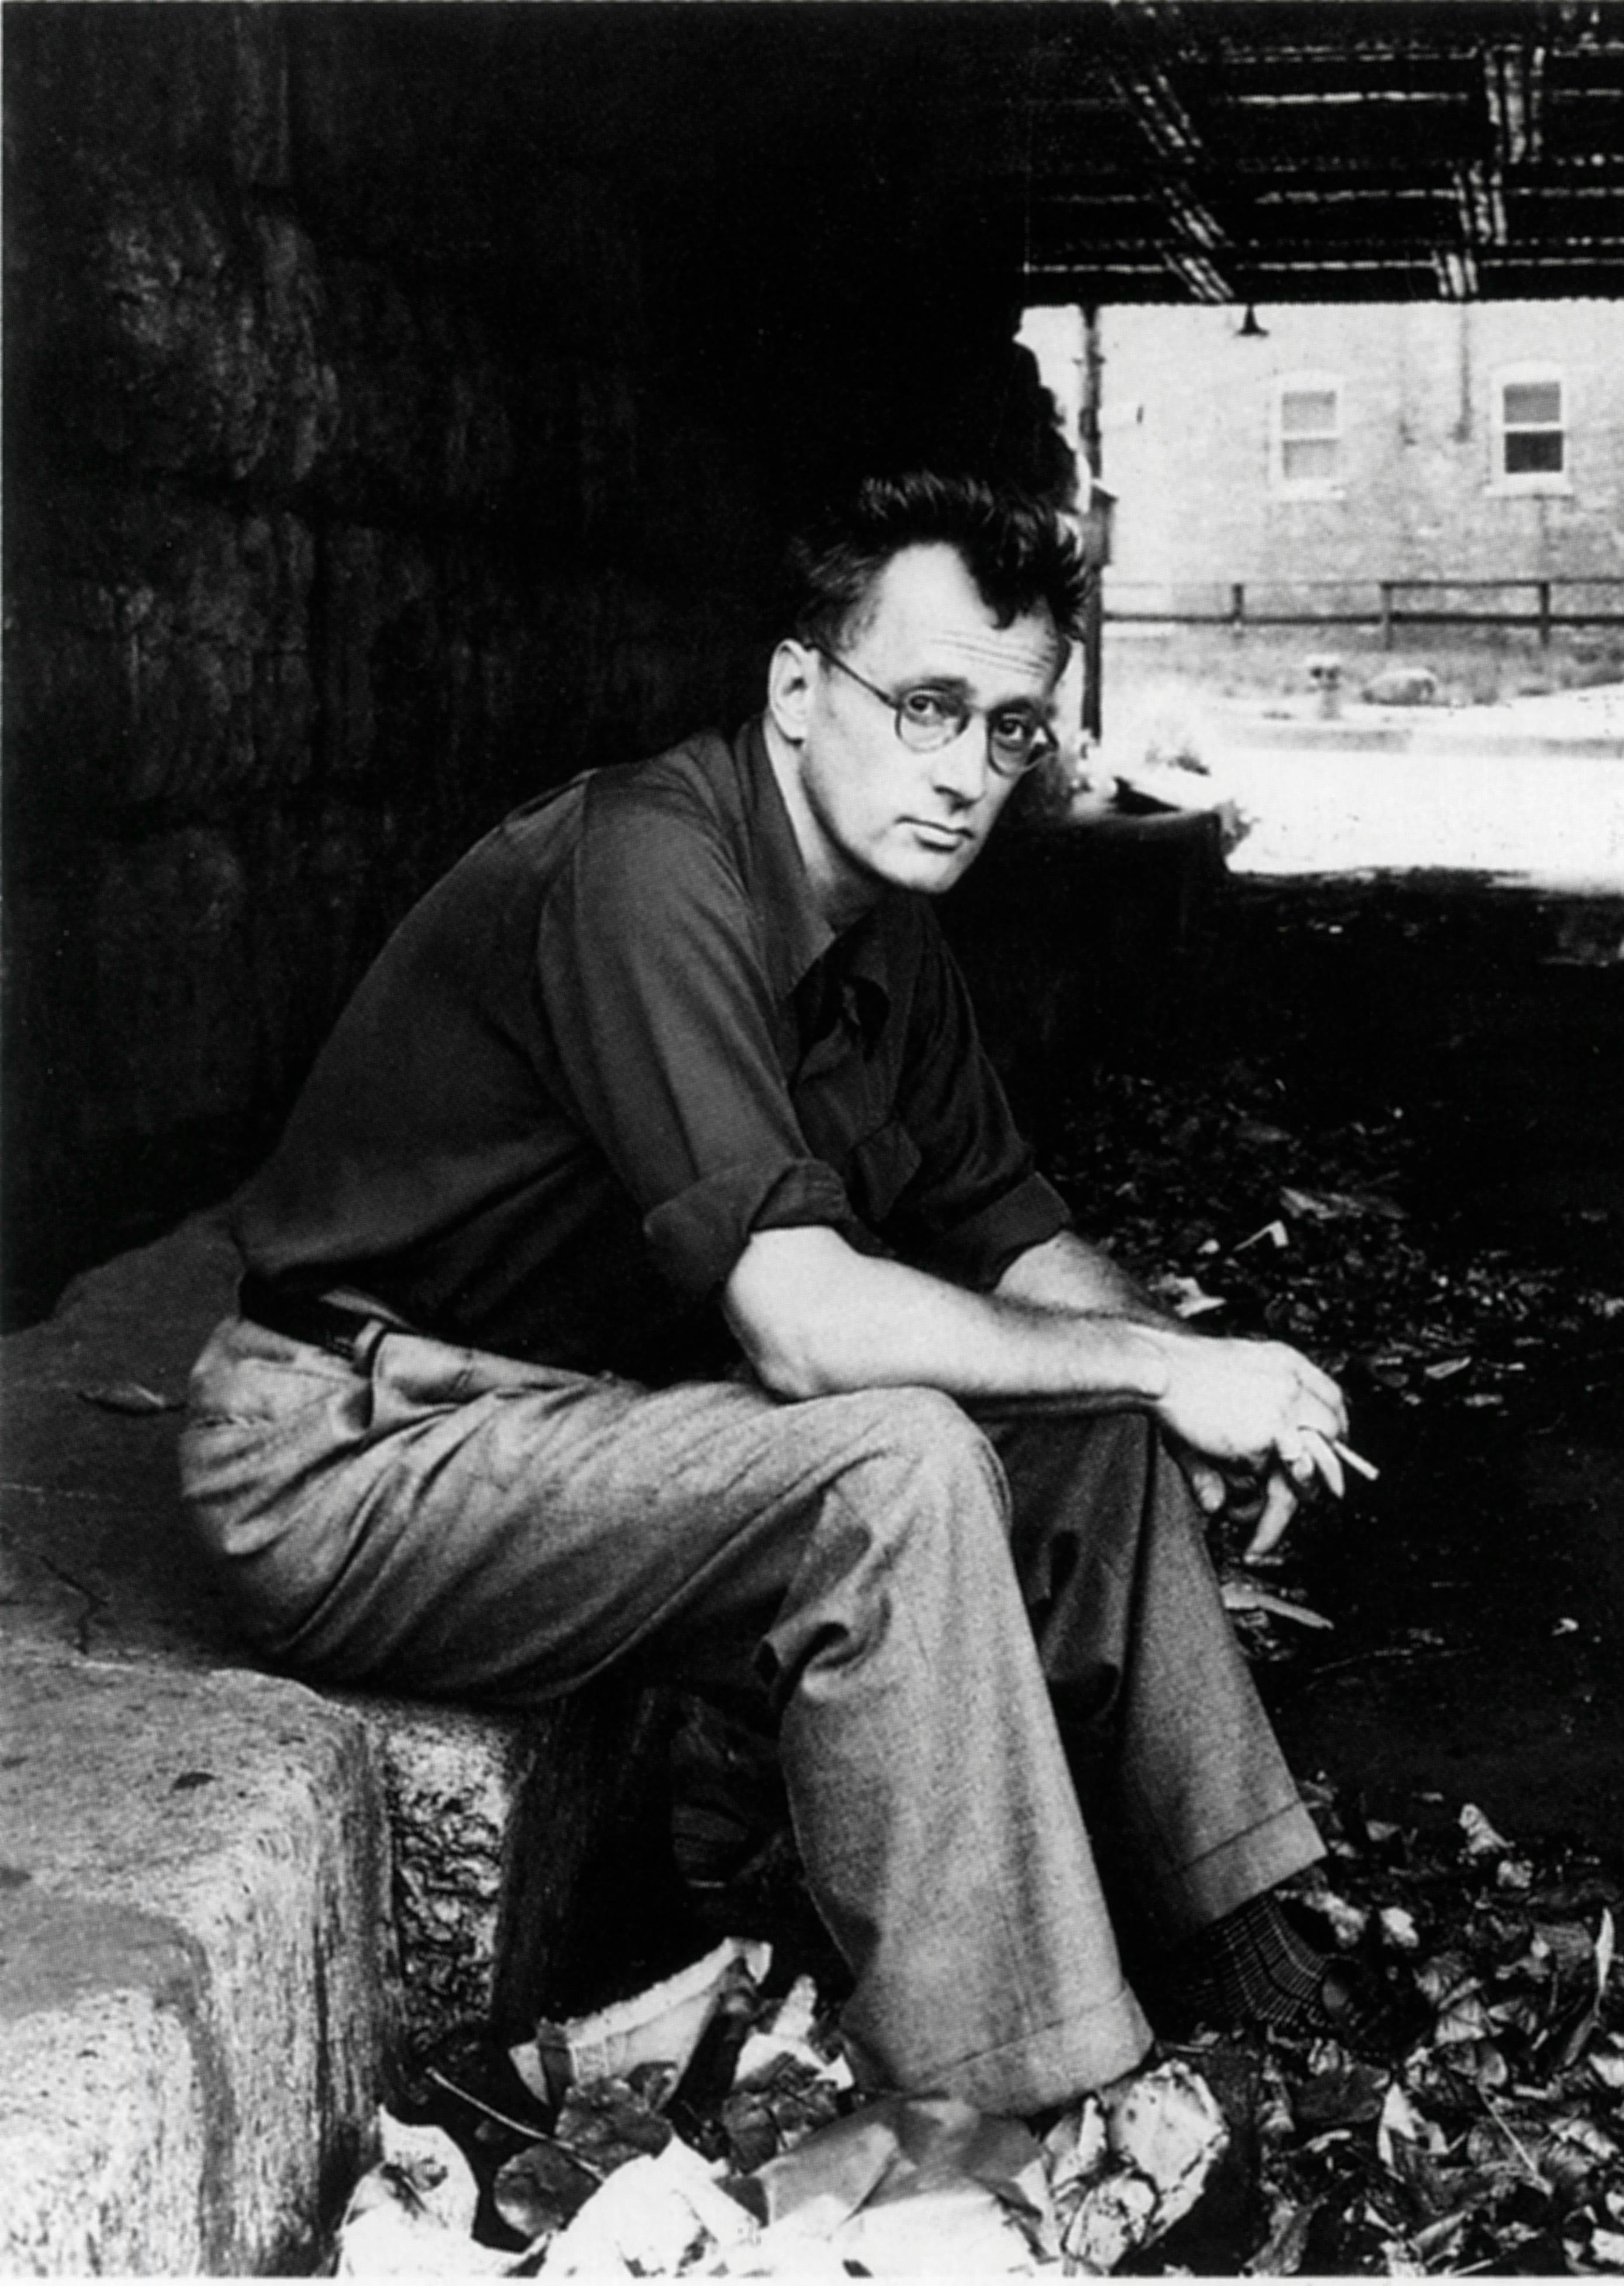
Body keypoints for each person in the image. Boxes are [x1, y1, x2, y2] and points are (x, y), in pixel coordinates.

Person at [179, 466, 1368, 2118]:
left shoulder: (887, 937)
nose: (968, 775)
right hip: (354, 1454)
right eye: (930, 707)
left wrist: (1196, 1362)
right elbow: (805, 1329)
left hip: (579, 1430)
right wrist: (1157, 1367)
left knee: (1094, 1411)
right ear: (800, 692)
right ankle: (998, 2109)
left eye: (1011, 730)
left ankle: (1236, 1922)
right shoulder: (647, 868)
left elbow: (1022, 1248)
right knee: (900, 1463)